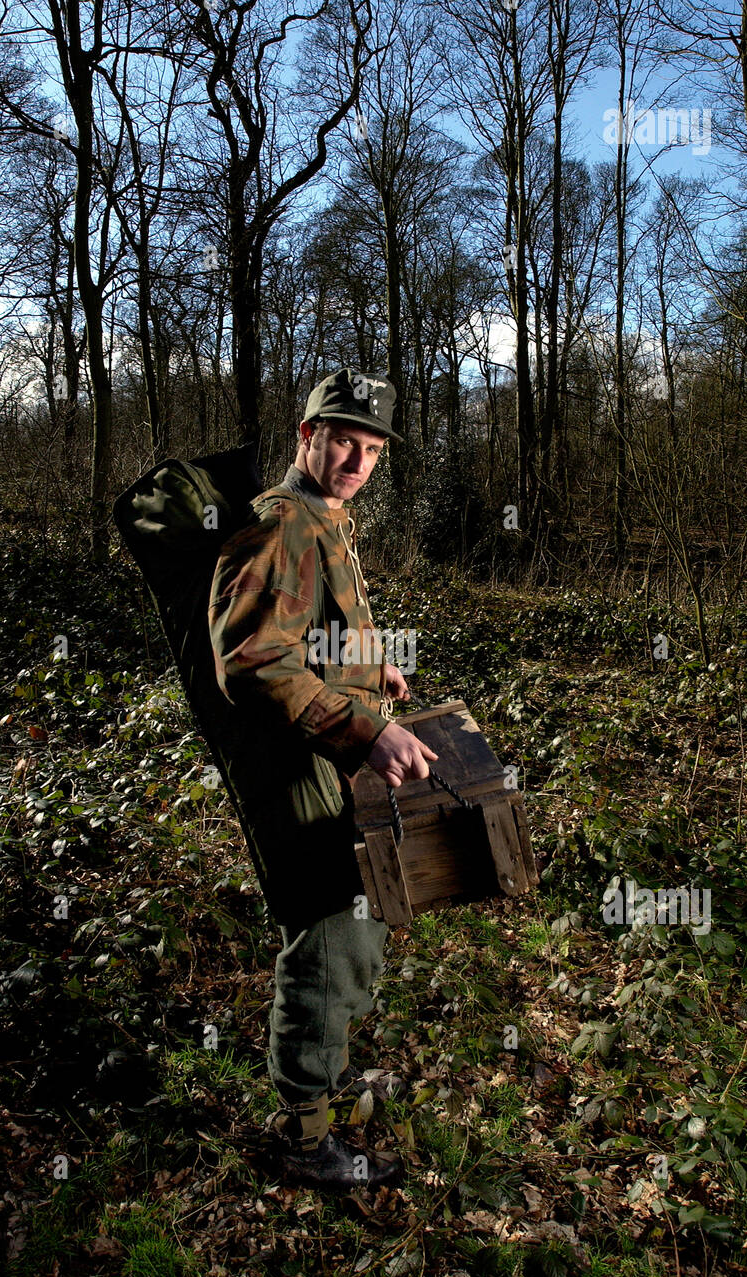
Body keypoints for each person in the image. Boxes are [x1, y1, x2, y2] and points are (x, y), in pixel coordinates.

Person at [208, 368, 437, 1191]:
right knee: (328, 936)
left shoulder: (327, 521)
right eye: (343, 439)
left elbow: (316, 636)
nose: (357, 460)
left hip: (341, 764)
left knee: (361, 928)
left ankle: (333, 1088)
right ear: (306, 436)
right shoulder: (281, 525)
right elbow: (252, 659)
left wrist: (377, 676)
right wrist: (363, 728)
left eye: (371, 448)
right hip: (307, 770)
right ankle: (303, 1139)